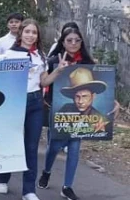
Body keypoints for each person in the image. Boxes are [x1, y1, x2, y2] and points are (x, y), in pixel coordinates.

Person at [38, 26, 120, 200]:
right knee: (54, 146)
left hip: (82, 118)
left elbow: (106, 81)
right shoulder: (53, 60)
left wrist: (115, 101)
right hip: (57, 112)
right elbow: (44, 82)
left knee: (75, 147)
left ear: (82, 42)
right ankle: (46, 171)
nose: (73, 43)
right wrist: (57, 71)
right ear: (63, 42)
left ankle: (67, 186)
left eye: (77, 40)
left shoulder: (88, 62)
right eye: (69, 40)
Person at [0, 19, 62, 200]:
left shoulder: (40, 55)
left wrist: (58, 71)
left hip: (35, 103)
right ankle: (2, 177)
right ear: (21, 33)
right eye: (27, 32)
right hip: (14, 103)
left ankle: (29, 190)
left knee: (31, 147)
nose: (31, 35)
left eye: (34, 32)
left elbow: (44, 81)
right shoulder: (9, 54)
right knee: (10, 142)